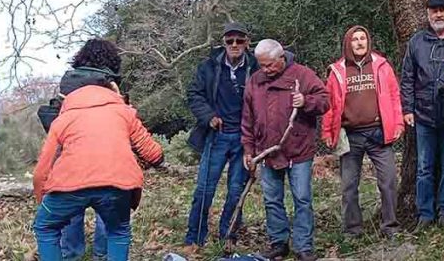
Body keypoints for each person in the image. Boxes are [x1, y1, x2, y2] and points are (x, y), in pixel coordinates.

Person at [32, 39, 165, 261]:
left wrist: (43, 201)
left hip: (69, 186)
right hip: (116, 185)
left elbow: (42, 170)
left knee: (45, 226)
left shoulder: (64, 116)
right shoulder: (123, 111)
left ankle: (70, 254)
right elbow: (153, 153)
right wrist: (159, 160)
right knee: (118, 231)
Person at [243, 39, 328, 261]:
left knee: (302, 198)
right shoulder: (255, 81)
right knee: (272, 199)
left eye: (270, 65)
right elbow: (248, 119)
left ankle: (303, 247)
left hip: (298, 149)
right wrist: (248, 149)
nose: (266, 70)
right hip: (267, 151)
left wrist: (306, 101)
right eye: (261, 65)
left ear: (282, 58)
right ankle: (278, 244)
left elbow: (324, 101)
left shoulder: (302, 74)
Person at [36, 44, 121, 260]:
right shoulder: (110, 85)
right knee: (109, 209)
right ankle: (103, 254)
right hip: (107, 158)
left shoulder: (69, 82)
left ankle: (72, 253)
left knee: (69, 206)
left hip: (69, 157)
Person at [183, 22, 258, 255]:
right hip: (216, 136)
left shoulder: (256, 67)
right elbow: (194, 94)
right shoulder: (208, 67)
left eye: (239, 40)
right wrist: (209, 116)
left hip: (244, 138)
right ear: (223, 43)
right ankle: (195, 238)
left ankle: (229, 236)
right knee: (204, 189)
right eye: (229, 41)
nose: (234, 45)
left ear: (247, 42)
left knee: (236, 190)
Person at [322, 26, 403, 238]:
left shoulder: (381, 65)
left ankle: (390, 227)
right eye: (355, 40)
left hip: (378, 133)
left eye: (363, 39)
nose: (359, 43)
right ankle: (353, 230)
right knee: (349, 186)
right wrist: (328, 132)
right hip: (350, 136)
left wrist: (398, 125)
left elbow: (394, 96)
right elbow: (329, 105)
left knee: (388, 182)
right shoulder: (337, 70)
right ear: (348, 43)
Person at [399, 0, 444, 228]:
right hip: (423, 115)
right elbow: (407, 78)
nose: (438, 15)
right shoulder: (417, 42)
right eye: (434, 10)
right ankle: (425, 214)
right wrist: (407, 108)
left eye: (442, 10)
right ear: (427, 14)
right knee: (424, 167)